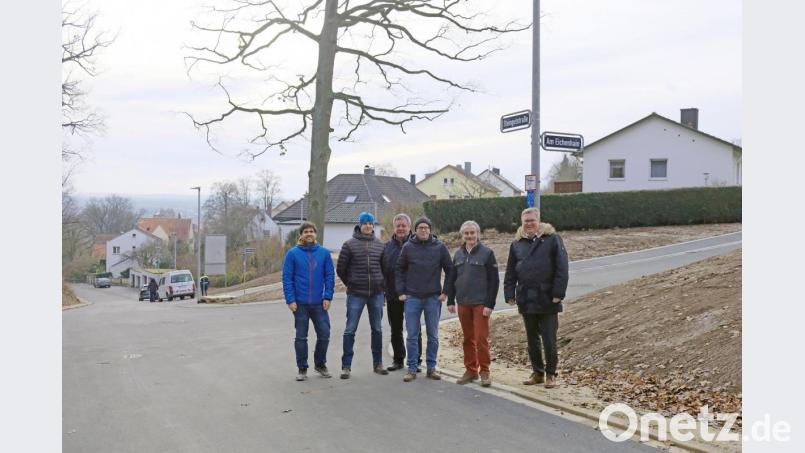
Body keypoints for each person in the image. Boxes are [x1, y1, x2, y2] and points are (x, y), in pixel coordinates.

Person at [503, 207, 569, 389]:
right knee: (532, 339)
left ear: (539, 221)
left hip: (547, 297)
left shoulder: (552, 239)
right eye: (526, 221)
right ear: (522, 223)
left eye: (532, 220)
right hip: (526, 297)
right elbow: (510, 271)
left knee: (549, 338)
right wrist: (509, 293)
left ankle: (551, 374)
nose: (529, 224)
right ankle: (537, 372)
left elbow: (562, 268)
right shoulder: (517, 244)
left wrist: (558, 293)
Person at [395, 216, 454, 382]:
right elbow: (399, 269)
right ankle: (412, 368)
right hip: (412, 298)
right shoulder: (408, 247)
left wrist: (445, 292)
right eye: (420, 227)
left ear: (430, 230)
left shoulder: (439, 247)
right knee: (412, 335)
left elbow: (450, 270)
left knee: (433, 335)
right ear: (415, 230)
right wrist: (401, 291)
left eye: (426, 227)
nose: (423, 230)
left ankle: (431, 368)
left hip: (433, 298)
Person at [336, 212, 389, 379]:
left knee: (377, 329)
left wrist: (381, 286)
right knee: (350, 330)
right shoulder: (349, 245)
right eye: (365, 223)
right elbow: (341, 269)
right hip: (356, 294)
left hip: (376, 294)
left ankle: (378, 363)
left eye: (370, 223)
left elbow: (385, 269)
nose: (368, 226)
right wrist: (351, 283)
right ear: (360, 225)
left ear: (373, 226)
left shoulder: (380, 245)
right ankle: (346, 367)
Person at [446, 220, 499, 387]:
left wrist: (489, 304)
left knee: (481, 338)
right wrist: (450, 300)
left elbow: (494, 281)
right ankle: (471, 370)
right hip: (463, 302)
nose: (469, 236)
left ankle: (485, 371)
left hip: (480, 303)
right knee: (467, 338)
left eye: (472, 233)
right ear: (462, 235)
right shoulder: (458, 254)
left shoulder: (487, 253)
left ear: (478, 234)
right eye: (466, 233)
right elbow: (452, 278)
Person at [282, 221, 335, 382]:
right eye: (306, 232)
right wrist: (290, 300)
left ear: (315, 234)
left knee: (324, 334)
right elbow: (287, 278)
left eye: (311, 231)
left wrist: (328, 296)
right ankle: (302, 368)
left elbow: (329, 276)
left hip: (319, 303)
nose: (309, 234)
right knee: (301, 337)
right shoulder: (292, 254)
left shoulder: (324, 253)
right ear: (301, 235)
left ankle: (320, 364)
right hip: (300, 304)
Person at [380, 213, 422, 372]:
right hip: (393, 294)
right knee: (395, 328)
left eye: (404, 225)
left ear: (409, 227)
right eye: (398, 226)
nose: (401, 228)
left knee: (414, 329)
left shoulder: (418, 245)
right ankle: (398, 359)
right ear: (394, 227)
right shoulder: (386, 247)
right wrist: (384, 290)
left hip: (413, 294)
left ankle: (416, 360)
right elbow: (383, 270)